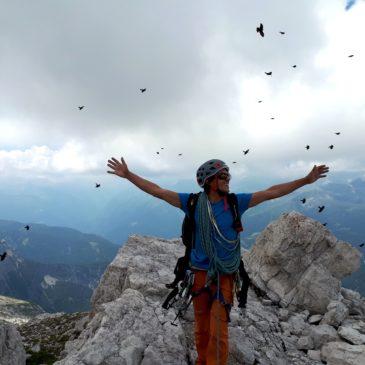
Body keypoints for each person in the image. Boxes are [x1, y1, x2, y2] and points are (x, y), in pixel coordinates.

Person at [107, 156, 329, 365]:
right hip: (199, 274)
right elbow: (158, 191)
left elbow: (271, 192)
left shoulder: (235, 203)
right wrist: (129, 175)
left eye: (228, 176)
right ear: (210, 181)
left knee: (219, 328)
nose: (228, 180)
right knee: (202, 328)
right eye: (223, 176)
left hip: (225, 274)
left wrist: (306, 180)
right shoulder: (192, 203)